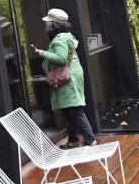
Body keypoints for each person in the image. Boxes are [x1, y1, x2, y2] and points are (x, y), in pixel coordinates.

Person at [31, 8, 96, 148]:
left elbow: (60, 59)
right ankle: (73, 140)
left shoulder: (60, 39)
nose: (46, 25)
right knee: (69, 109)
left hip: (68, 76)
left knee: (74, 110)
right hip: (72, 74)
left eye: (48, 22)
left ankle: (90, 140)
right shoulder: (67, 36)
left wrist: (42, 53)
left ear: (54, 24)